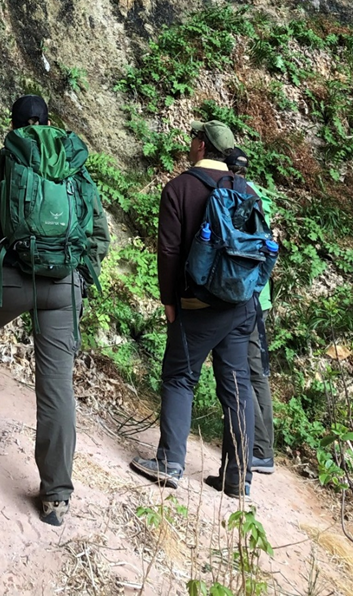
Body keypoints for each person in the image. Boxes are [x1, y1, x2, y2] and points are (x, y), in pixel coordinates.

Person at [0, 94, 110, 527]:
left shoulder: (2, 159)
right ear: (50, 123)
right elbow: (98, 229)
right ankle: (55, 498)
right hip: (65, 283)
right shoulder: (73, 162)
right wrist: (83, 275)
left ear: (13, 126)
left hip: (13, 274)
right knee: (56, 385)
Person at [130, 120, 261, 500]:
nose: (190, 145)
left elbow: (169, 252)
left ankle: (170, 464)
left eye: (193, 139)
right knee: (238, 387)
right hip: (241, 306)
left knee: (180, 376)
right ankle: (238, 477)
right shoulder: (246, 190)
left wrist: (169, 301)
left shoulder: (179, 189)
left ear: (201, 145)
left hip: (197, 304)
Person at [228, 150, 275, 477]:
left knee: (244, 371)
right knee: (257, 374)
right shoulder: (261, 197)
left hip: (241, 297)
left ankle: (258, 449)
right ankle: (264, 449)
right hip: (261, 296)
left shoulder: (230, 195)